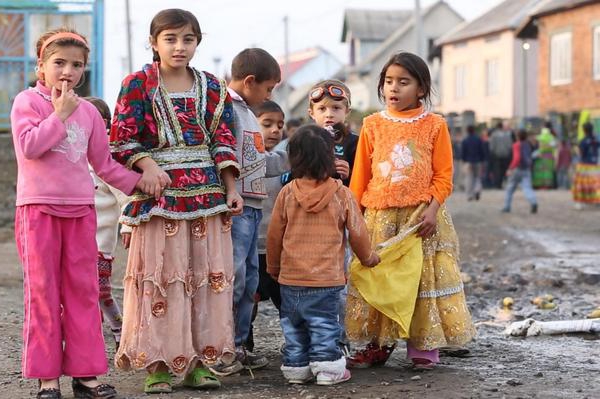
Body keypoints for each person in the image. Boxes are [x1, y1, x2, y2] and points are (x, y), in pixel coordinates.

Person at [10, 27, 158, 399]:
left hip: (80, 211)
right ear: (41, 66)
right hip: (38, 211)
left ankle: (86, 375)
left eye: (76, 65)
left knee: (83, 291)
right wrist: (59, 114)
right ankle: (47, 380)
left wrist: (142, 182)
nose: (67, 71)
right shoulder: (26, 103)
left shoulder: (90, 113)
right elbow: (29, 147)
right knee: (43, 292)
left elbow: (104, 165)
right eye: (59, 63)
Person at [110, 9, 243, 393]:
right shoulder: (136, 85)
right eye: (170, 39)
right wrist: (149, 168)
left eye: (187, 39)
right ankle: (158, 365)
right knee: (162, 281)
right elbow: (122, 138)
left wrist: (231, 187)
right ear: (154, 42)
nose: (179, 47)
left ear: (197, 42)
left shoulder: (213, 87)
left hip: (208, 197)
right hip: (159, 197)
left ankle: (200, 361)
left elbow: (223, 139)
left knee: (205, 280)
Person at [345, 52, 475, 370]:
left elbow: (444, 175)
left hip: (421, 221)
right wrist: (352, 217)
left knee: (420, 282)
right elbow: (360, 176)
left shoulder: (434, 125)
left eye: (403, 82)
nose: (394, 88)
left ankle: (422, 346)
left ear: (420, 88)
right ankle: (378, 344)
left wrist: (431, 211)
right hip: (380, 219)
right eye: (389, 81)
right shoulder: (372, 125)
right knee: (381, 280)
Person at [266, 125, 379, 385]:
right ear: (331, 157)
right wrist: (368, 258)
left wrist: (273, 267)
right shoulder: (341, 193)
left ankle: (296, 368)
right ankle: (328, 369)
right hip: (327, 280)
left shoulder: (287, 193)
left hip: (290, 279)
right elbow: (358, 233)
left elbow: (274, 235)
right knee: (326, 326)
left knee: (294, 327)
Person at [224, 48, 288, 374]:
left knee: (249, 281)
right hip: (233, 209)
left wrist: (299, 157)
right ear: (250, 81)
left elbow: (258, 163)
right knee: (232, 279)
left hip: (252, 208)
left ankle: (237, 346)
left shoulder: (248, 112)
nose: (269, 95)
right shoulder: (225, 110)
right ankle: (221, 349)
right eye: (268, 88)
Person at [86, 96, 128, 350]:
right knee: (79, 292)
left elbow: (124, 195)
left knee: (101, 291)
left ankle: (119, 329)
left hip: (101, 242)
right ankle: (88, 338)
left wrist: (128, 224)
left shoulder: (107, 161)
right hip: (76, 240)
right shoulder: (75, 158)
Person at [246, 100, 286, 352]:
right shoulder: (246, 162)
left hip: (280, 249)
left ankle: (294, 344)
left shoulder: (285, 164)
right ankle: (243, 344)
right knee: (248, 299)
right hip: (251, 248)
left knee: (286, 300)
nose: (275, 130)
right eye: (267, 124)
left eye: (280, 125)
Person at [307, 79, 356, 186]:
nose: (329, 114)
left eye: (336, 108)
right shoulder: (305, 141)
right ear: (311, 113)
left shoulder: (355, 142)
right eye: (322, 109)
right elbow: (292, 177)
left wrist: (350, 174)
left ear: (347, 111)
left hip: (344, 200)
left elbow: (365, 180)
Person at [501, 129, 538, 214]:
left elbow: (517, 158)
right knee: (527, 187)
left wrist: (510, 168)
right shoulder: (528, 145)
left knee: (510, 188)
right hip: (526, 169)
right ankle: (533, 201)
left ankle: (507, 206)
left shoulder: (516, 145)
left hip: (517, 169)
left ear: (517, 136)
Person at [572, 122, 600, 209]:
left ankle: (580, 203)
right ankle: (596, 201)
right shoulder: (596, 140)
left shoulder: (583, 141)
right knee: (595, 185)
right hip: (595, 166)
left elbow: (581, 154)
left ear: (584, 130)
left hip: (584, 166)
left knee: (581, 185)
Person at [461, 125, 486, 201]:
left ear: (467, 131)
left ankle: (469, 195)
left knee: (469, 178)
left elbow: (463, 152)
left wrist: (464, 160)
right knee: (477, 177)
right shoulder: (478, 139)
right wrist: (482, 160)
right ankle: (477, 189)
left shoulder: (465, 140)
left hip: (469, 161)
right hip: (478, 161)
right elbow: (482, 150)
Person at [489, 121, 514, 188]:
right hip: (506, 155)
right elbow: (510, 145)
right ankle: (504, 182)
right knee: (504, 170)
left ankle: (498, 184)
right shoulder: (507, 135)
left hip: (497, 155)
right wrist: (509, 152)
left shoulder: (493, 135)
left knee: (497, 170)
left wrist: (493, 152)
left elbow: (492, 146)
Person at [532, 122, 557, 189]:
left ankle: (540, 185)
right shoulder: (552, 136)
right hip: (549, 157)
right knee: (547, 172)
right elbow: (554, 146)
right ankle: (547, 185)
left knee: (540, 172)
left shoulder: (543, 136)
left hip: (541, 156)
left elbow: (536, 140)